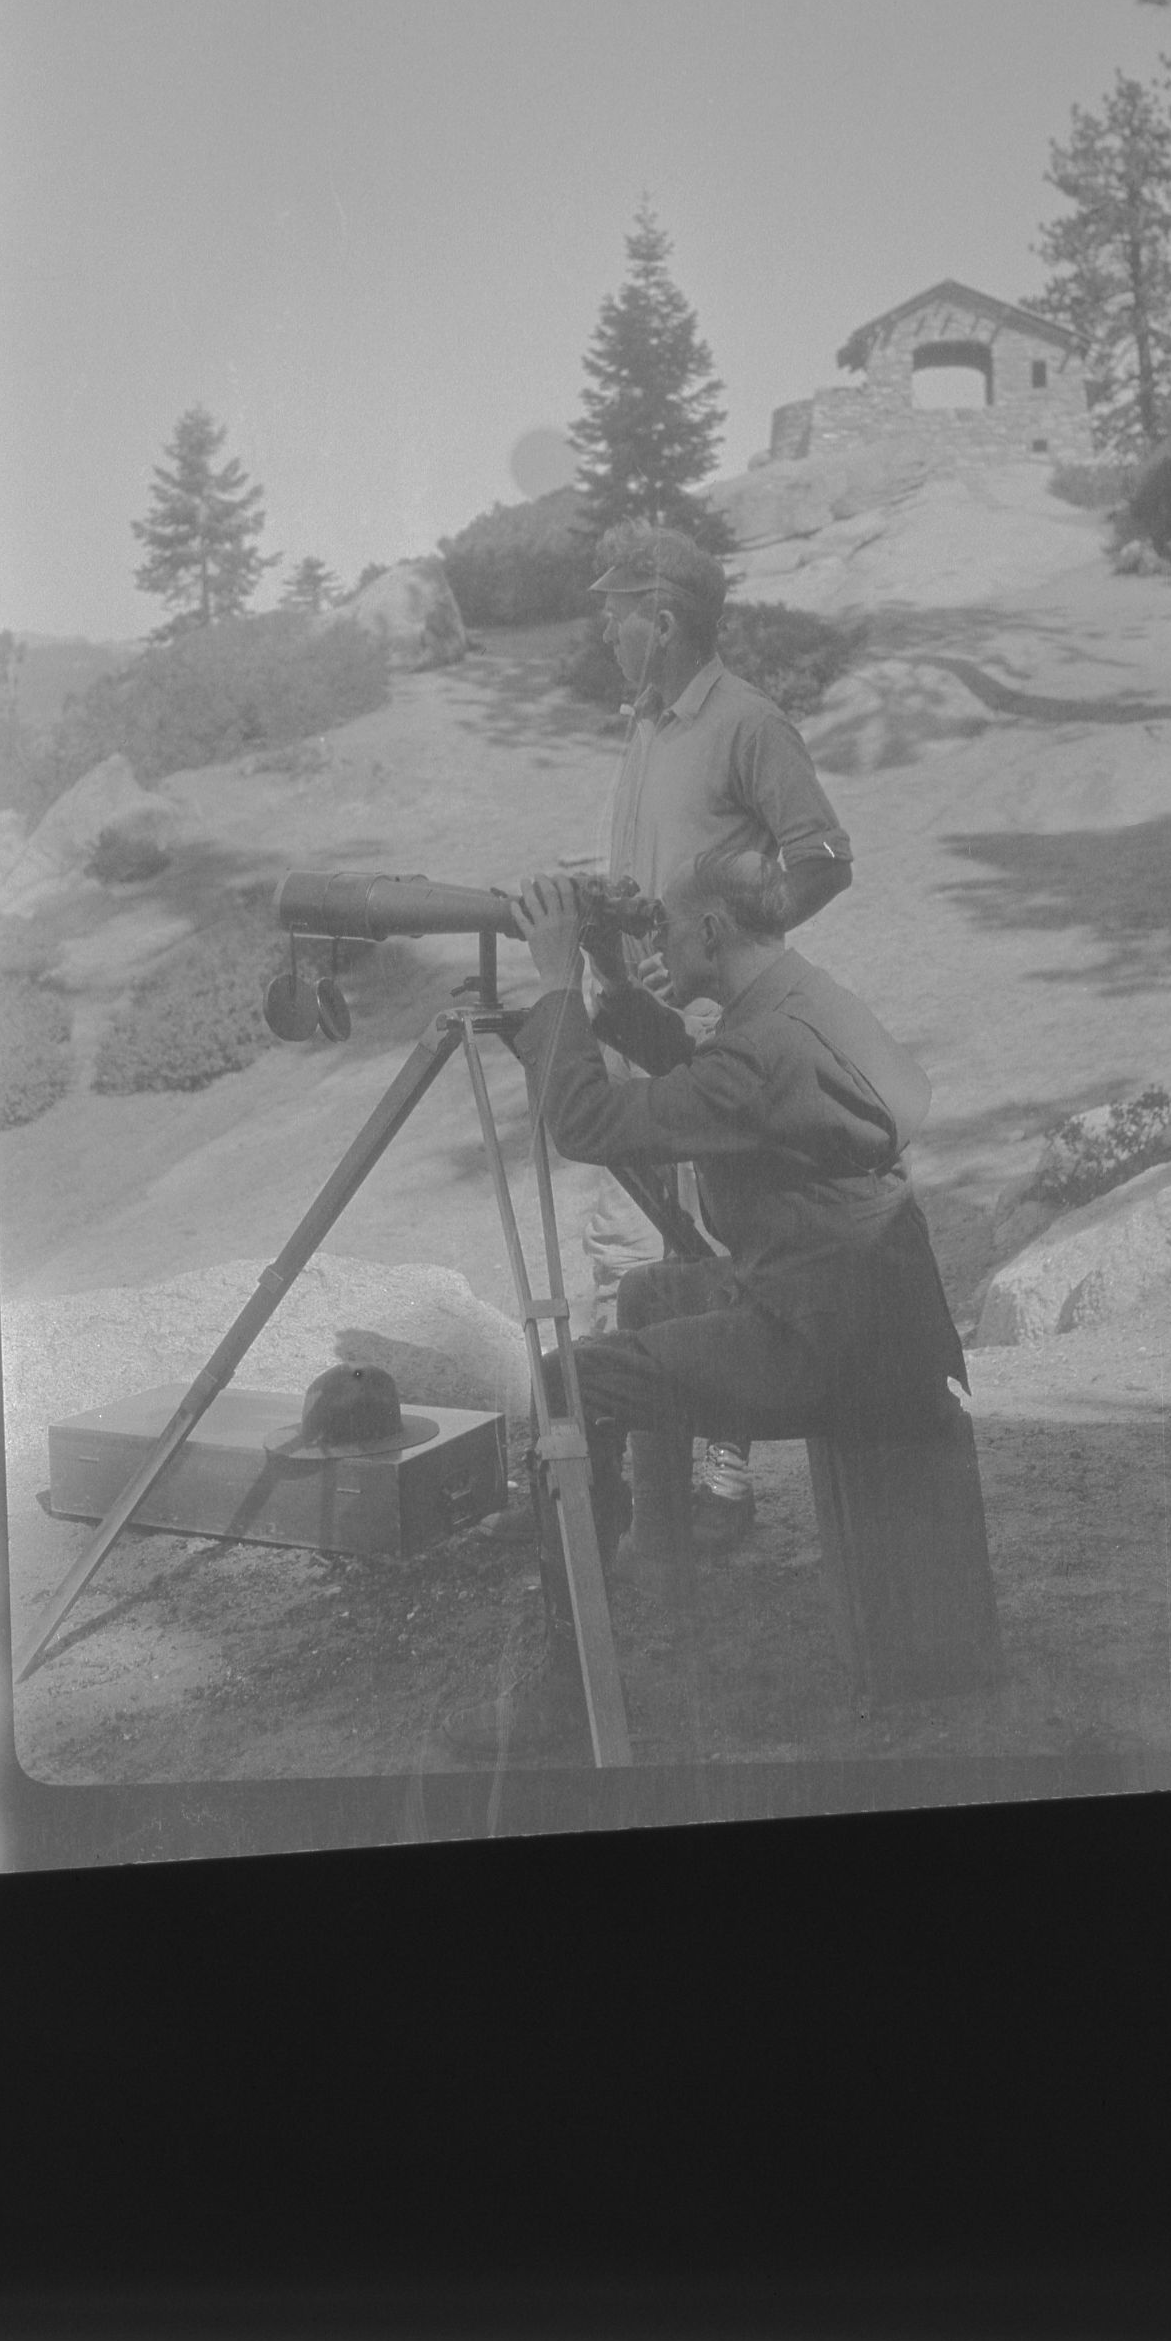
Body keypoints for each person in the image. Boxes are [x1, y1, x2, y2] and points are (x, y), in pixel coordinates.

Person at [443, 853, 990, 1765]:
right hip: (876, 1315)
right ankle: (656, 1555)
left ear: (710, 930)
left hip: (826, 1346)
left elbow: (586, 1124)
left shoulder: (763, 1049)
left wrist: (557, 982)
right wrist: (614, 980)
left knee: (565, 1382)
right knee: (651, 1291)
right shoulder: (799, 999)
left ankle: (566, 1689)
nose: (657, 938)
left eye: (665, 927)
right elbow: (711, 1074)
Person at [577, 526, 853, 1538]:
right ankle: (631, 1495)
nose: (605, 631)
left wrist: (728, 940)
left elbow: (824, 859)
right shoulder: (647, 725)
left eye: (617, 614)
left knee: (719, 1241)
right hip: (634, 1021)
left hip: (708, 1028)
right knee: (627, 1242)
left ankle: (722, 1483)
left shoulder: (748, 723)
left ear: (663, 622)